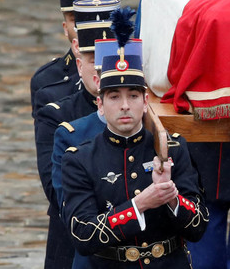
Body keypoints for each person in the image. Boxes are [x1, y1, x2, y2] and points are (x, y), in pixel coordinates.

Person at [61, 52, 209, 268]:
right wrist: (139, 205)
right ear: (100, 104)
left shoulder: (173, 149)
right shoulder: (80, 159)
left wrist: (171, 196)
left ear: (145, 101)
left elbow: (199, 226)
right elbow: (83, 236)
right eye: (114, 97)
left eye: (133, 96)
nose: (125, 106)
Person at [34, 0, 118, 269]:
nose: (100, 69)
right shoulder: (56, 113)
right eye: (94, 60)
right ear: (79, 62)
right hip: (73, 242)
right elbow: (56, 189)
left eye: (110, 59)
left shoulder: (140, 110)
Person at [30, 0, 104, 119]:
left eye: (91, 19)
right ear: (65, 28)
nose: (84, 28)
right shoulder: (46, 78)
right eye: (77, 21)